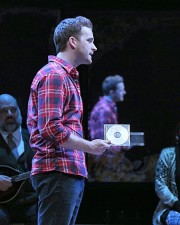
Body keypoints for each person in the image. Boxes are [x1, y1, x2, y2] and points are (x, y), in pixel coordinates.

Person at [26, 16, 111, 225]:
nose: (95, 47)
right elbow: (50, 128)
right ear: (73, 41)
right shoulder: (54, 75)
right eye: (90, 41)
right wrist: (89, 146)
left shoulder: (65, 76)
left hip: (67, 170)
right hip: (57, 170)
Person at [88, 75, 143, 181]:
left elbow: (111, 137)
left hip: (110, 160)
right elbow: (102, 142)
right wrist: (121, 145)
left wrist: (123, 143)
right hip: (105, 164)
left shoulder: (110, 107)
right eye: (122, 90)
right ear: (112, 92)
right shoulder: (104, 110)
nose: (125, 92)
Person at [0, 94, 37, 225]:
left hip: (32, 203)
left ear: (19, 112)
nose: (9, 114)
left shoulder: (34, 139)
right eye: (4, 111)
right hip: (2, 206)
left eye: (13, 110)